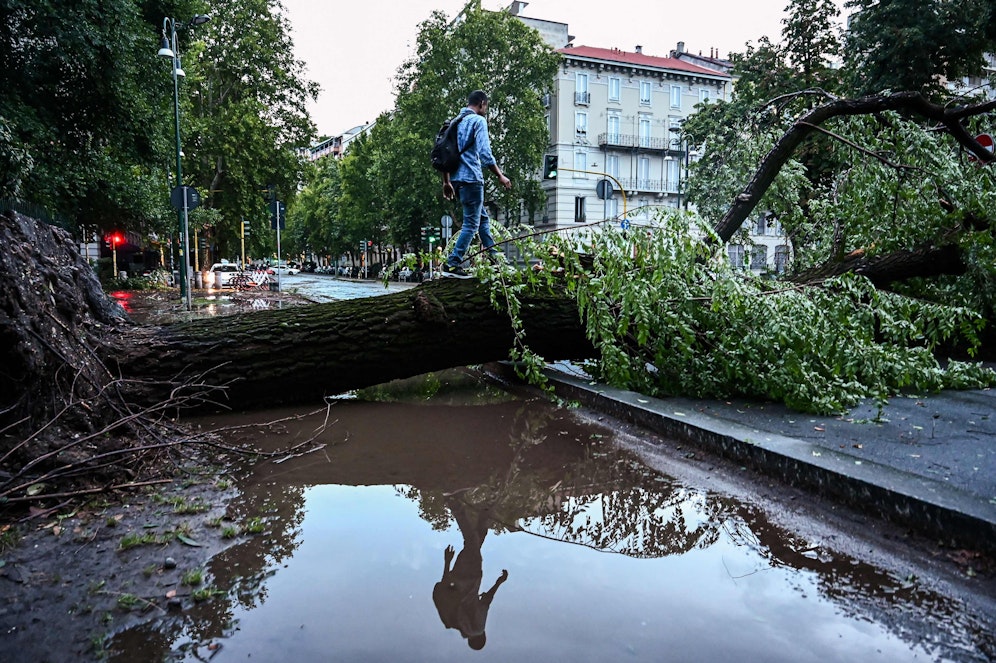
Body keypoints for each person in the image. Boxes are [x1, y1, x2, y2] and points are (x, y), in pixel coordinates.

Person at [440, 89, 512, 279]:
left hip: (456, 180)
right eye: (486, 106)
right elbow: (485, 153)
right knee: (471, 224)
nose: (485, 109)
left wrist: (446, 182)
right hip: (472, 179)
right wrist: (500, 176)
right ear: (481, 103)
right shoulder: (478, 121)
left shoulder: (454, 122)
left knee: (482, 221)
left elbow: (444, 154)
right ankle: (453, 264)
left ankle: (497, 261)